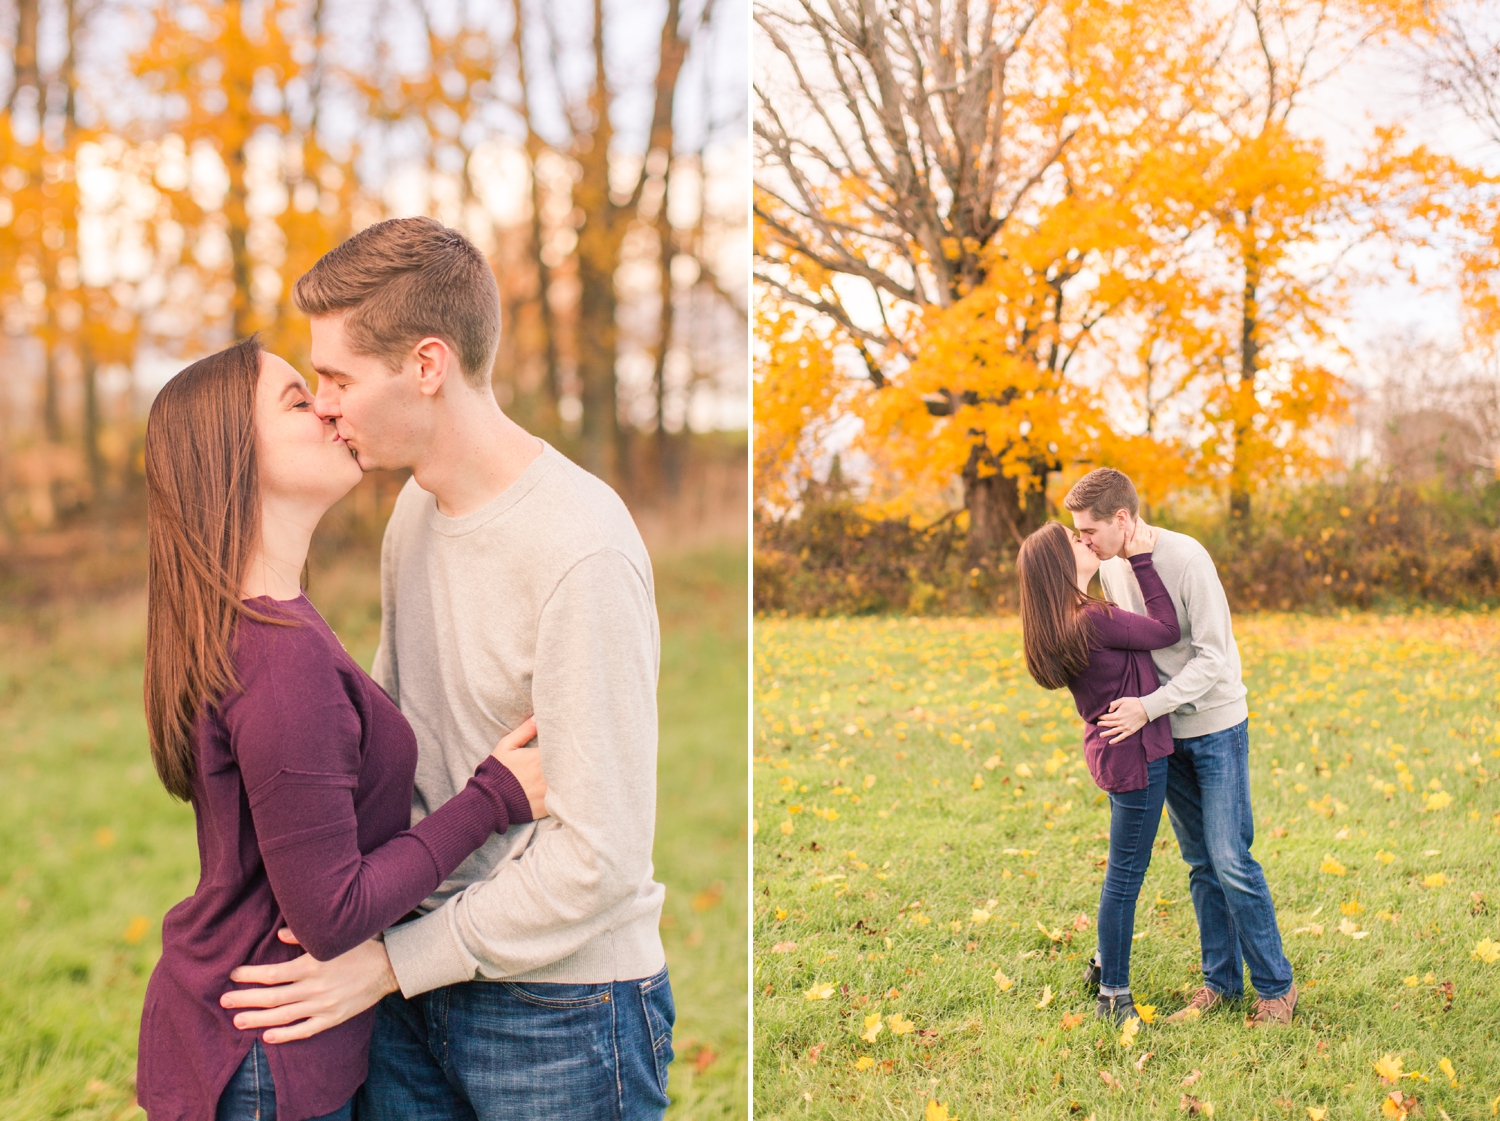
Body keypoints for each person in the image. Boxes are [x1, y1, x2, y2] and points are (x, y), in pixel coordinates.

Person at [218, 217, 673, 1120]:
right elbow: (395, 751)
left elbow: (601, 859)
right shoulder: (412, 517)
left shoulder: (581, 550)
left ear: (427, 366)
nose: (326, 405)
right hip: (412, 986)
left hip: (559, 1013)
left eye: (340, 378)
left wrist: (388, 964)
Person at [137, 336, 551, 1121]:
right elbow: (331, 913)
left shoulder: (255, 621)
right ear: (234, 457)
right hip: (267, 1052)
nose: (330, 406)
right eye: (299, 399)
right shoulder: (277, 658)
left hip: (247, 1026)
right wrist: (492, 799)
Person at [1064, 467, 1297, 1027]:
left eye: (1088, 530)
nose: (1083, 541)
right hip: (1165, 735)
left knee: (1231, 860)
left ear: (1121, 519)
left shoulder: (1187, 558)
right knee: (1199, 864)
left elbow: (1213, 657)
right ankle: (1221, 983)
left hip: (1214, 725)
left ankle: (1276, 988)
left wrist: (1149, 705)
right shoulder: (1115, 568)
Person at [1017, 519, 1178, 1023]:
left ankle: (1104, 963)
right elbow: (1167, 630)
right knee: (1125, 876)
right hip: (1135, 757)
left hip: (1111, 752)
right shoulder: (1093, 619)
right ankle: (1113, 993)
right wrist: (1143, 561)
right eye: (1074, 541)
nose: (1085, 541)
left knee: (1123, 868)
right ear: (1060, 566)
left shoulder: (1062, 623)